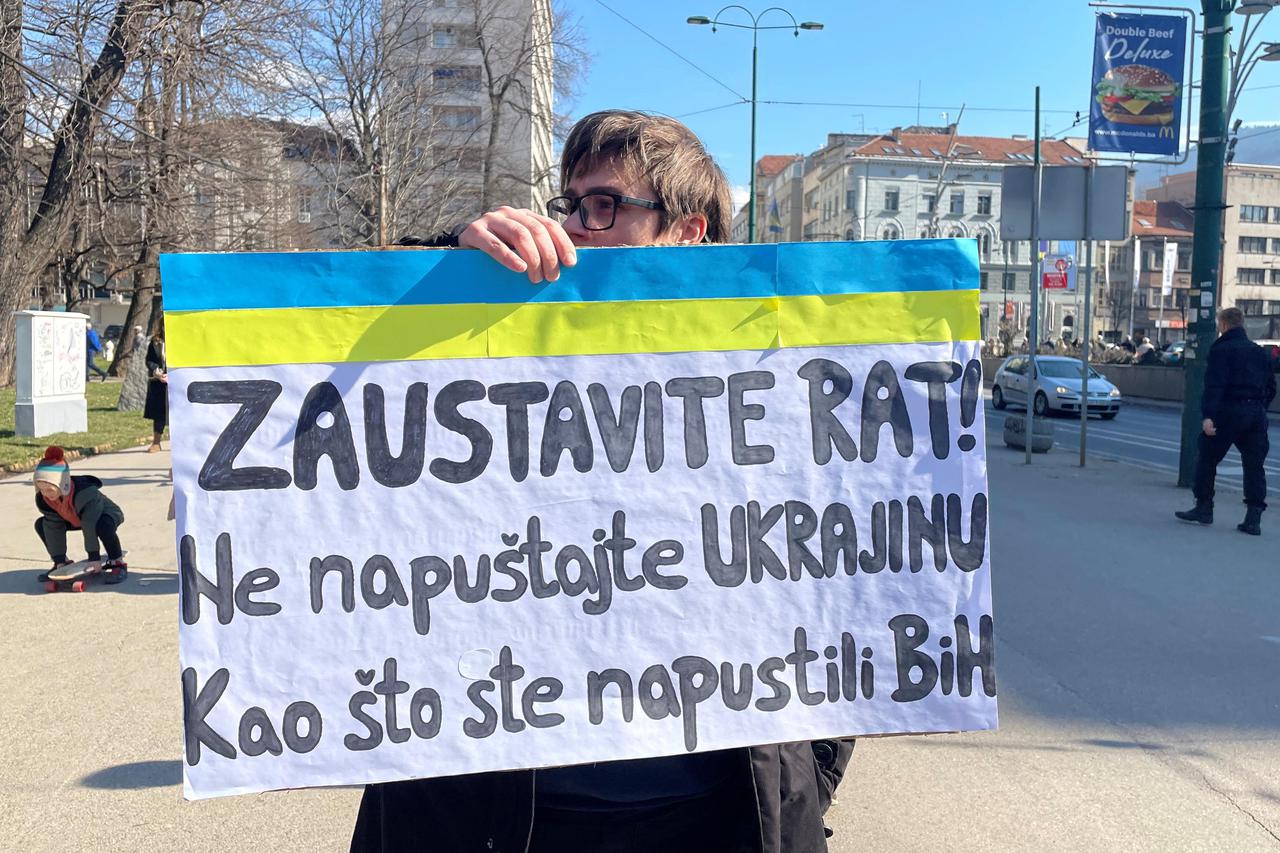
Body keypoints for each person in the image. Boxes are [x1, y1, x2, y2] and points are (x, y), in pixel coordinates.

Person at [350, 110, 854, 853]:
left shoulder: (772, 385)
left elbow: (846, 583)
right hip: (497, 815)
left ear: (687, 234)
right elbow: (354, 359)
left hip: (713, 818)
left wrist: (802, 774)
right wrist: (450, 257)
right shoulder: (494, 341)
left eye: (606, 205)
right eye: (573, 203)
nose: (577, 227)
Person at [1176, 307, 1276, 535]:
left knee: (1208, 458)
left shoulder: (1221, 350)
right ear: (1242, 324)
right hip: (1255, 413)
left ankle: (1204, 507)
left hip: (1228, 411)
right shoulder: (1258, 351)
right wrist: (1259, 406)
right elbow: (1271, 387)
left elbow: (1215, 385)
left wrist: (1209, 415)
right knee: (1254, 465)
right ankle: (1253, 517)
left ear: (1223, 325)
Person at [32, 446, 127, 583]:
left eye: (50, 489)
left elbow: (89, 523)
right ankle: (63, 562)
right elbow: (54, 527)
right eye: (41, 489)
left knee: (102, 525)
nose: (46, 494)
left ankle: (117, 563)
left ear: (62, 484)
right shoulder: (44, 500)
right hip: (74, 518)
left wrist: (93, 558)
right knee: (42, 524)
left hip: (104, 513)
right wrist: (59, 561)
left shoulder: (86, 493)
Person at [144, 326, 167, 452]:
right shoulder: (156, 342)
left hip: (177, 380)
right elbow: (149, 360)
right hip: (159, 381)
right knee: (159, 413)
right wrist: (156, 371)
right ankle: (156, 442)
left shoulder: (182, 338)